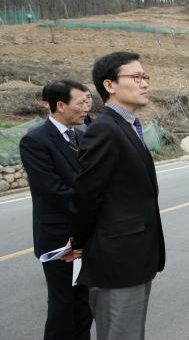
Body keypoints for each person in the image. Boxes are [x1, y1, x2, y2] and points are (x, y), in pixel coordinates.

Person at [64, 51, 166, 340]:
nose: (144, 82)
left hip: (135, 256)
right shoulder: (105, 130)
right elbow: (86, 195)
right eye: (135, 76)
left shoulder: (128, 126)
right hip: (118, 259)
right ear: (109, 85)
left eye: (145, 76)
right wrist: (79, 241)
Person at [20, 79, 93, 340]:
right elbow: (53, 192)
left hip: (85, 235)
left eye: (88, 101)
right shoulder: (35, 140)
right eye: (80, 103)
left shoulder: (84, 134)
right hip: (59, 239)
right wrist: (94, 205)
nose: (86, 107)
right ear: (60, 105)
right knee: (62, 307)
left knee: (85, 306)